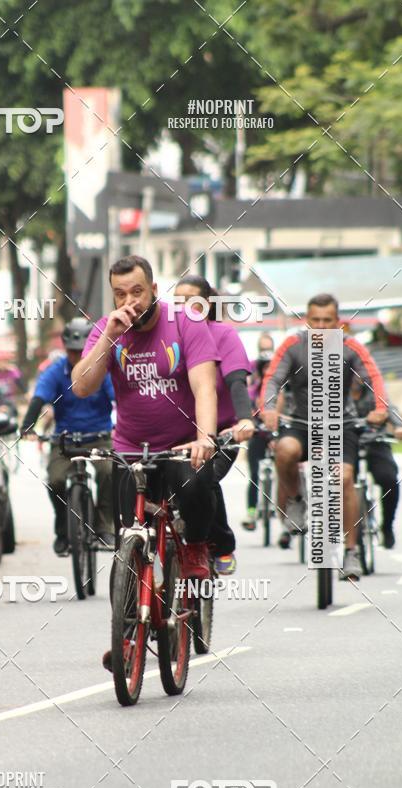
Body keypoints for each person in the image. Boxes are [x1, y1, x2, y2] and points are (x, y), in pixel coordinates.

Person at [73, 255, 219, 672]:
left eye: (137, 292)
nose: (130, 301)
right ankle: (128, 633)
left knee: (195, 485)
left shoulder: (185, 324)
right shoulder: (108, 329)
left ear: (154, 289)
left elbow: (204, 387)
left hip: (179, 445)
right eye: (120, 293)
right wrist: (108, 340)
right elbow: (82, 386)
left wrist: (204, 438)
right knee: (130, 542)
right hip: (129, 449)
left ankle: (192, 552)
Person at [259, 293, 389, 581]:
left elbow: (374, 378)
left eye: (327, 321)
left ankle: (351, 551)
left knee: (344, 478)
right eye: (315, 320)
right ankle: (294, 501)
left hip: (341, 425)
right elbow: (272, 379)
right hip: (301, 423)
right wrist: (268, 409)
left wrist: (381, 408)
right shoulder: (293, 345)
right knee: (285, 449)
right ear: (307, 321)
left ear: (338, 323)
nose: (320, 326)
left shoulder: (351, 347)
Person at [173, 275, 255, 575]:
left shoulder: (224, 335)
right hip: (176, 434)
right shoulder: (167, 337)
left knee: (202, 476)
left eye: (190, 302)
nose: (182, 309)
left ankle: (222, 543)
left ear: (208, 304)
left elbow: (236, 383)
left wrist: (245, 419)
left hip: (220, 434)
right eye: (177, 302)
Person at [21, 318, 115, 555]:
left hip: (99, 437)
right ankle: (64, 530)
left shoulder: (103, 369)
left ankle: (104, 528)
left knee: (108, 473)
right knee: (55, 480)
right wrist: (27, 426)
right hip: (65, 439)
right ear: (66, 349)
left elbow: (120, 399)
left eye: (82, 351)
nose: (77, 357)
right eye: (73, 352)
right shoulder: (55, 371)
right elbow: (39, 398)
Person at [351, 376, 402, 549]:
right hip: (347, 444)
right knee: (339, 483)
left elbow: (390, 408)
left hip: (376, 442)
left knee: (389, 479)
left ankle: (387, 525)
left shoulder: (375, 391)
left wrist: (399, 426)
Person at [242, 334, 275, 532]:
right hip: (257, 434)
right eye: (265, 367)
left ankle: (287, 512)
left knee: (287, 468)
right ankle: (252, 511)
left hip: (276, 436)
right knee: (254, 474)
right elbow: (246, 410)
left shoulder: (281, 389)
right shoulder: (253, 390)